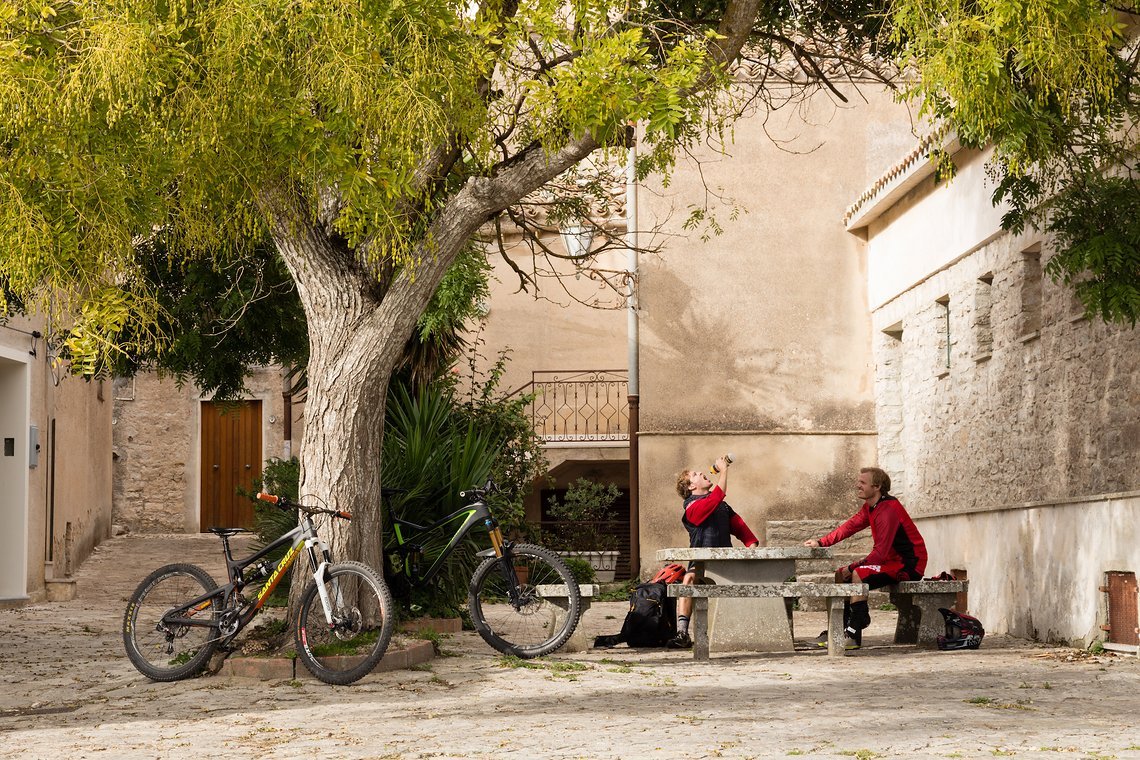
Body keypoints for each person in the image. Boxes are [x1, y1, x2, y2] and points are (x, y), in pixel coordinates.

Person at [803, 466, 927, 650]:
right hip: (891, 562)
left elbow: (879, 554)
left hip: (909, 564)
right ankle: (838, 629)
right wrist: (821, 542)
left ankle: (853, 632)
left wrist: (852, 567)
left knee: (857, 574)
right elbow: (849, 527)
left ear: (877, 487)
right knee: (840, 574)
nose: (857, 485)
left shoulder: (888, 509)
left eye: (862, 482)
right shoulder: (870, 507)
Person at [668, 454, 760, 649]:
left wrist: (751, 545)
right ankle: (682, 633)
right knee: (688, 580)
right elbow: (717, 496)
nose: (701, 472)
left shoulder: (721, 506)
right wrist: (724, 471)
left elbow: (740, 527)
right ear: (692, 487)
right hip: (701, 566)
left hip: (725, 565)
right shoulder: (692, 507)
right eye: (695, 474)